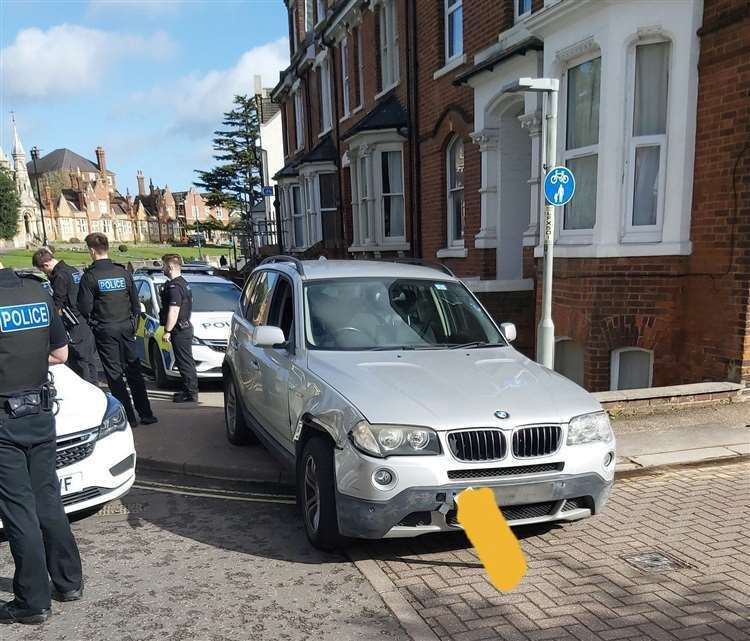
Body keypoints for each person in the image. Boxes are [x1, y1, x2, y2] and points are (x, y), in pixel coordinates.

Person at [0, 261, 83, 625]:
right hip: (40, 409)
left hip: (3, 417)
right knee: (48, 497)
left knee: (18, 509)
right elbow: (61, 354)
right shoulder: (37, 292)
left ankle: (33, 602)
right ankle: (68, 582)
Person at [77, 233, 157, 427]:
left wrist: (95, 325)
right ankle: (146, 414)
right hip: (126, 327)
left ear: (91, 251)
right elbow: (136, 304)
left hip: (105, 329)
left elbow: (84, 309)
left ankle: (128, 417)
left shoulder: (90, 276)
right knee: (134, 370)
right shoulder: (123, 273)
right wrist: (133, 324)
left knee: (115, 375)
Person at [32, 248, 99, 386]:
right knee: (90, 362)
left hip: (72, 323)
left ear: (45, 265)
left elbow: (57, 304)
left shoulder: (59, 276)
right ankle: (94, 389)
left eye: (42, 270)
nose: (44, 273)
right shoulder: (72, 270)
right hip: (83, 322)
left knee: (80, 365)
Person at [160, 254, 199, 403]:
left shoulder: (174, 286)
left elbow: (174, 311)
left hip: (179, 329)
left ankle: (191, 392)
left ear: (170, 267)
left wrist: (167, 331)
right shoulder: (183, 283)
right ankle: (188, 389)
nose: (162, 269)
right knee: (185, 360)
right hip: (184, 327)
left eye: (164, 265)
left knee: (184, 362)